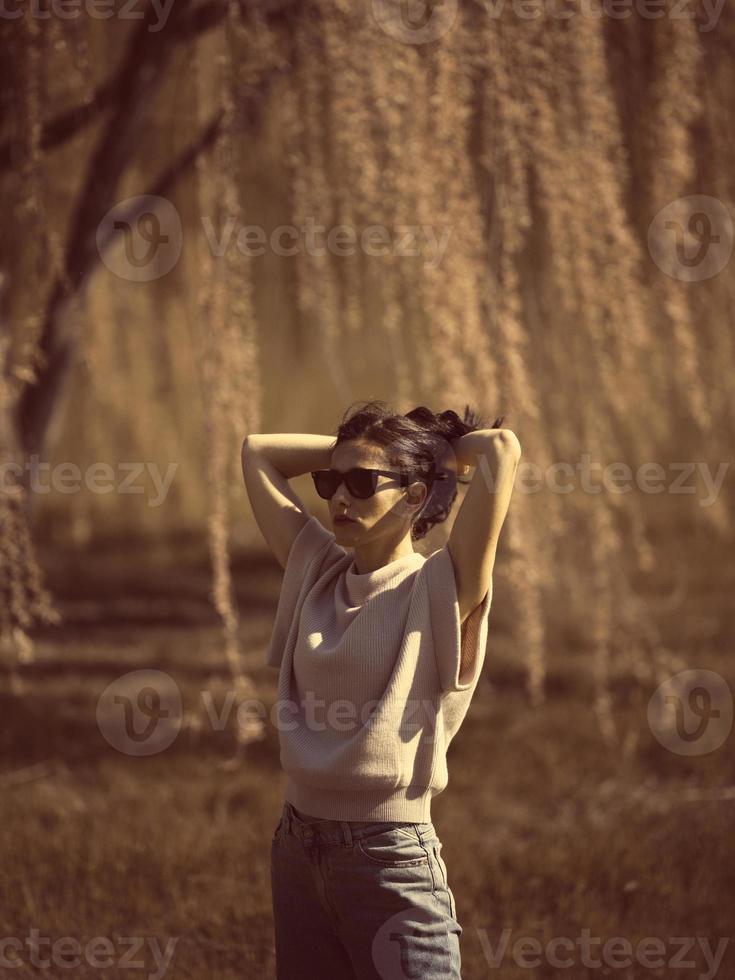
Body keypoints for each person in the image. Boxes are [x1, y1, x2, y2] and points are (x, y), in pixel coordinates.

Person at [241, 399, 521, 980]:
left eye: (365, 483)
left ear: (416, 496)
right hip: (295, 847)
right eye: (331, 482)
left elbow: (500, 450)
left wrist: (420, 451)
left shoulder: (442, 585)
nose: (341, 499)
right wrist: (358, 453)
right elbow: (257, 452)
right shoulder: (315, 570)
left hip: (389, 856)